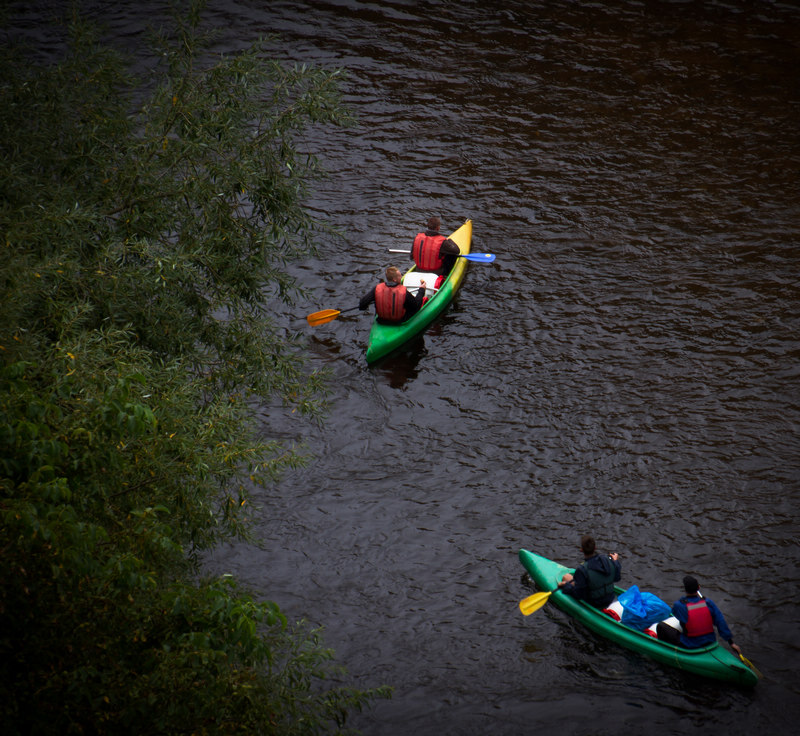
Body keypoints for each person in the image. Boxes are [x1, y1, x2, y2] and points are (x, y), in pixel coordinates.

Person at [656, 575, 742, 654]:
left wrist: (683, 599)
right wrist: (731, 643)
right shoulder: (708, 603)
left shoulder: (680, 605)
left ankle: (666, 651)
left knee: (661, 627)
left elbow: (675, 613)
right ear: (698, 588)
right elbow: (720, 622)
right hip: (710, 641)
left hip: (690, 645)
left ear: (685, 590)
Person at [557, 534, 621, 609]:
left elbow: (579, 595)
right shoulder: (608, 560)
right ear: (595, 548)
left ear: (581, 550)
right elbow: (617, 578)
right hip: (610, 598)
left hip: (595, 603)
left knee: (566, 577)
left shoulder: (582, 569)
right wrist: (616, 562)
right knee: (569, 578)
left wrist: (566, 586)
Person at [359, 266, 425, 324]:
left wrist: (367, 305)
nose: (402, 277)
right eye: (400, 276)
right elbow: (416, 306)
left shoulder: (377, 289)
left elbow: (362, 304)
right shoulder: (403, 292)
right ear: (394, 279)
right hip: (400, 321)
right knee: (415, 305)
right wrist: (421, 290)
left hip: (381, 320)